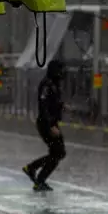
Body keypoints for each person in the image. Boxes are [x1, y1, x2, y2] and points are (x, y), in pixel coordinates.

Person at [23, 59, 65, 192]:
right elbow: (44, 106)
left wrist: (62, 107)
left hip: (51, 122)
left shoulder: (54, 84)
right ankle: (36, 175)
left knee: (57, 153)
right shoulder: (47, 84)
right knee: (58, 152)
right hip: (46, 123)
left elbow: (53, 103)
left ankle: (34, 172)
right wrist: (51, 125)